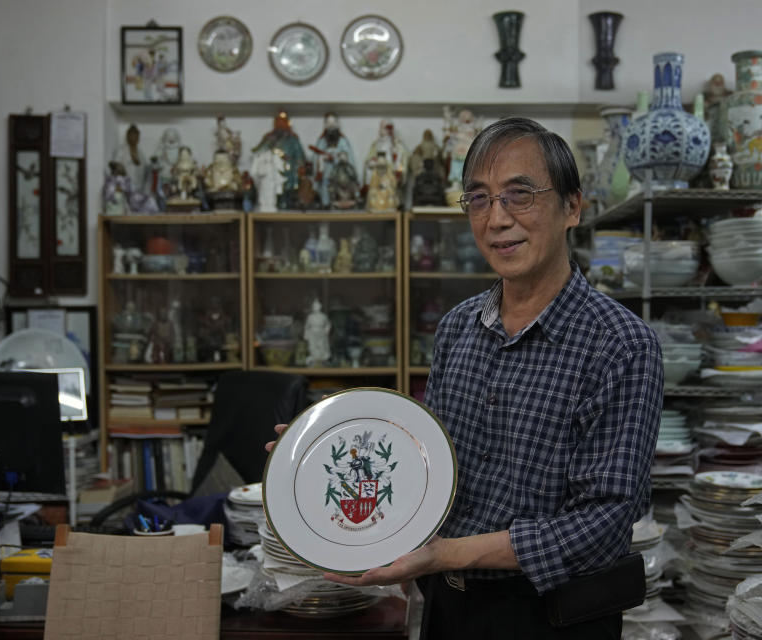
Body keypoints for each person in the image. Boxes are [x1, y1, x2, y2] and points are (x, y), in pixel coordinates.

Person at [266, 117, 662, 639]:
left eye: (519, 195)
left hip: (553, 616)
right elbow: (427, 467)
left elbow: (602, 526)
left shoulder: (622, 345)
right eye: (478, 199)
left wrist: (443, 553)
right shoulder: (458, 327)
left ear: (571, 207)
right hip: (448, 608)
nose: (496, 219)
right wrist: (318, 462)